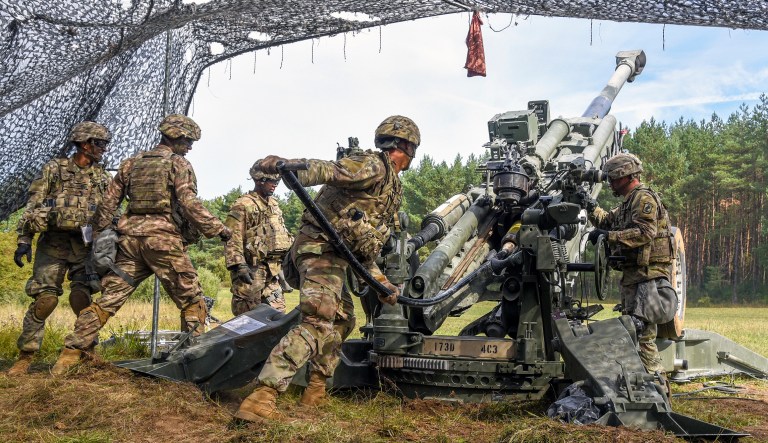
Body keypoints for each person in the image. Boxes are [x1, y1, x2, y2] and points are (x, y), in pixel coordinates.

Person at [234, 115, 420, 421]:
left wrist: (381, 283)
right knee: (318, 321)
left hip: (336, 255)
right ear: (406, 146)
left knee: (343, 320)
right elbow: (331, 170)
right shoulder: (373, 166)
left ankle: (315, 391)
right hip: (320, 250)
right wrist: (287, 165)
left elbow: (362, 247)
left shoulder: (388, 186)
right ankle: (261, 397)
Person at [51, 114, 232, 374]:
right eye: (188, 140)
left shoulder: (131, 163)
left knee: (108, 300)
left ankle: (69, 355)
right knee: (193, 301)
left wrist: (95, 239)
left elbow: (107, 205)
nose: (190, 145)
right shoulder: (178, 164)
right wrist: (218, 230)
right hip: (163, 243)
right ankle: (193, 364)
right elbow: (189, 203)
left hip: (130, 244)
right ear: (175, 136)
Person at [6, 122, 113, 375]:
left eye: (105, 144)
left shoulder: (102, 177)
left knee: (82, 298)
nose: (104, 149)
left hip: (84, 246)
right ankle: (26, 356)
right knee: (45, 300)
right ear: (85, 144)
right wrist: (24, 241)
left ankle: (87, 351)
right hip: (53, 244)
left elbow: (110, 211)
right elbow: (33, 205)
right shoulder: (55, 169)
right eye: (100, 144)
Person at [587, 152, 677, 391]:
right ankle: (643, 386)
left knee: (643, 335)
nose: (611, 184)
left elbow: (645, 232)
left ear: (624, 176)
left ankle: (658, 389)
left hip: (647, 277)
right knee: (633, 334)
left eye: (613, 179)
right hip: (635, 277)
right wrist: (589, 205)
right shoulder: (628, 203)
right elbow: (606, 220)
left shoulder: (643, 198)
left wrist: (610, 237)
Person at [224, 165, 294, 314]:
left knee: (277, 317)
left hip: (273, 270)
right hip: (251, 270)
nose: (275, 184)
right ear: (259, 181)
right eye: (271, 181)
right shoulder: (243, 205)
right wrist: (239, 265)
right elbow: (232, 237)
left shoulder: (274, 204)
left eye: (278, 181)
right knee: (247, 319)